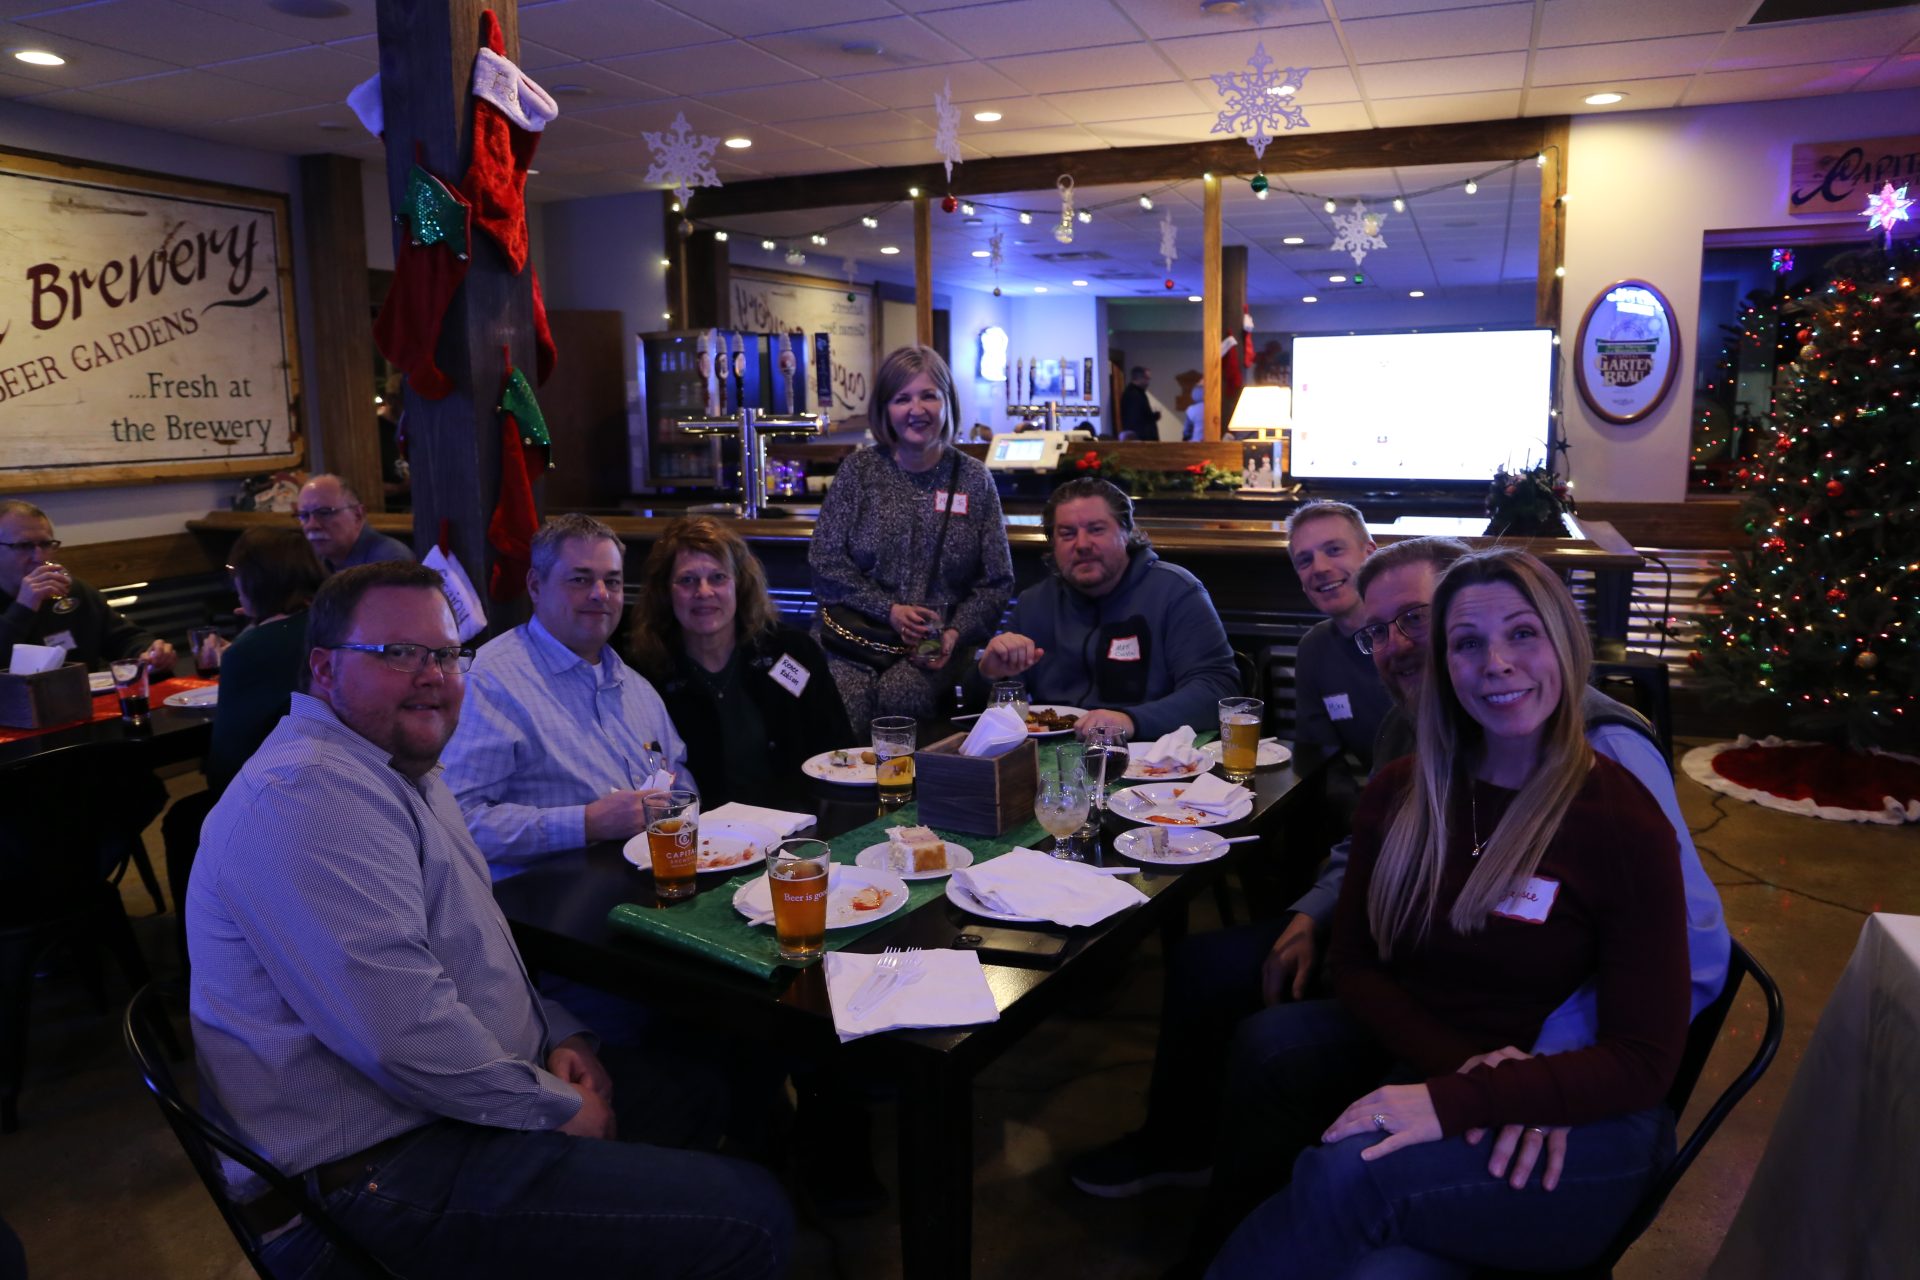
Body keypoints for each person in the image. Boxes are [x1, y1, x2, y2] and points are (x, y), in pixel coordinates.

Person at [1071, 538, 1729, 1230]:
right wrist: (1315, 911)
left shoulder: (1604, 757)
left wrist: (1539, 1075)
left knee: (1280, 1053)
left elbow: (1697, 949)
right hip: (1426, 972)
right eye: (1378, 631)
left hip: (1540, 1035)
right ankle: (1198, 1163)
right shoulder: (1416, 731)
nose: (1396, 644)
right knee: (1221, 976)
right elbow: (1377, 838)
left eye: (1415, 619)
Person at [187, 561, 791, 1279]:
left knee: (699, 1093)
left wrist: (557, 1034)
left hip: (440, 1112)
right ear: (323, 669)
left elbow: (473, 949)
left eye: (446, 655)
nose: (432, 676)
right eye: (397, 653)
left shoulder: (398, 766)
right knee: (753, 1217)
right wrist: (550, 1104)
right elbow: (403, 1035)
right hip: (368, 1177)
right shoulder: (308, 791)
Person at [1204, 548, 1695, 1277]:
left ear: (1565, 643)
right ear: (1444, 663)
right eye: (1467, 643)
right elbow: (1356, 965)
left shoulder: (1621, 816)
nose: (1496, 663)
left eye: (1522, 633)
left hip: (1586, 1112)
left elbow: (1645, 1060)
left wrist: (1473, 1097)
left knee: (1351, 1173)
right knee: (1375, 1255)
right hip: (1460, 1068)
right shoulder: (1403, 790)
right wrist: (1465, 1081)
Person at [442, 514, 691, 880]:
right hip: (543, 900)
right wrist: (586, 823)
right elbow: (454, 823)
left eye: (612, 581)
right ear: (535, 585)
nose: (600, 593)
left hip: (649, 885)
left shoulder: (637, 687)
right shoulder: (489, 683)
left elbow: (680, 780)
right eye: (580, 579)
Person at [809, 345, 1014, 724]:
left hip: (940, 645)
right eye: (902, 399)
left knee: (902, 696)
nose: (916, 410)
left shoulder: (974, 479)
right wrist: (889, 610)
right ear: (885, 409)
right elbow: (826, 562)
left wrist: (954, 633)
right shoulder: (859, 472)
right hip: (857, 639)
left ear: (947, 402)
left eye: (928, 396)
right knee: (842, 704)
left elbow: (996, 582)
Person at [976, 477, 1239, 742]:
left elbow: (1217, 690)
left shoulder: (1176, 591)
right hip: (1051, 754)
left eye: (1096, 529)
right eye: (1067, 534)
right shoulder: (1033, 603)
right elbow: (989, 715)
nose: (1082, 544)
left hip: (1149, 752)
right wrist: (989, 675)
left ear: (1126, 532)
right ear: (1053, 544)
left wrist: (1130, 720)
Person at [631, 516, 852, 811]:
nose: (704, 592)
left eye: (718, 577)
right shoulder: (646, 673)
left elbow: (839, 751)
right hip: (702, 834)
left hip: (800, 828)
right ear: (665, 592)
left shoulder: (792, 653)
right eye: (687, 580)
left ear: (740, 584)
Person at [203, 527, 326, 796]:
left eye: (234, 570)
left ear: (252, 580)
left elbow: (224, 769)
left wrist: (250, 638)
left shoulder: (246, 653)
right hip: (347, 781)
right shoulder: (338, 624)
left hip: (272, 798)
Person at [0, 498, 174, 672]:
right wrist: (24, 608)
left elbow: (123, 638)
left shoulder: (72, 591)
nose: (39, 557)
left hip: (82, 688)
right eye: (23, 546)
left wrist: (149, 653)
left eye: (45, 544)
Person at [1286, 500, 1390, 771]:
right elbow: (1321, 762)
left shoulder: (1414, 635)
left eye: (1334, 550)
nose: (1319, 568)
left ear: (1370, 554)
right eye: (1305, 560)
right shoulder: (1314, 649)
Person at [296, 473, 413, 573]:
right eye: (304, 515)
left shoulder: (389, 561)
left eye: (324, 513)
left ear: (357, 515)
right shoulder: (314, 562)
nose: (311, 525)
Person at [1119, 365, 1160, 440]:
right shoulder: (1133, 395)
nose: (1148, 382)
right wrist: (1153, 417)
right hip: (1141, 439)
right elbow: (1137, 420)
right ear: (1139, 378)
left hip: (1142, 438)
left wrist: (1153, 416)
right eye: (1147, 379)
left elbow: (1143, 415)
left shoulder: (1137, 393)